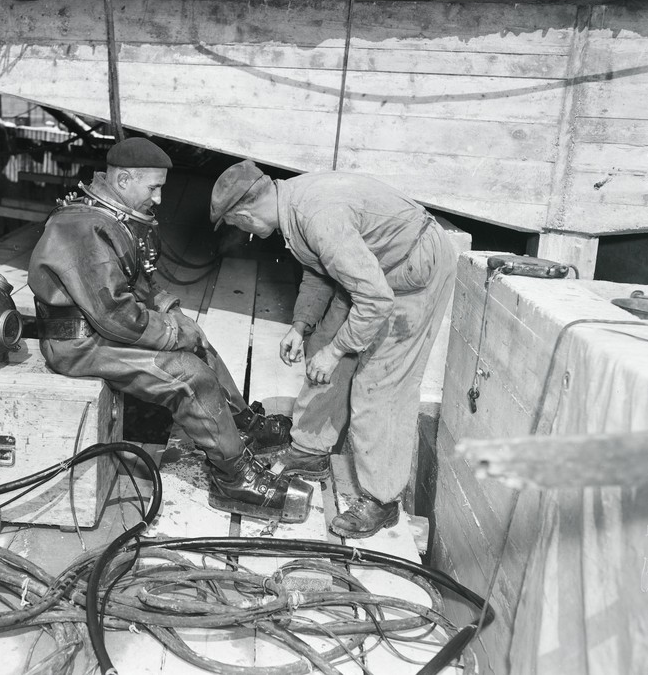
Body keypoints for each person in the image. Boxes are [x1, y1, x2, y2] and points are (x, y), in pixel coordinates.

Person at [27, 138, 312, 522]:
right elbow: (114, 314)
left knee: (202, 347)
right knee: (188, 377)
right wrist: (173, 335)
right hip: (79, 343)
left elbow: (139, 283)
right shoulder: (83, 228)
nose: (160, 199)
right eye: (154, 187)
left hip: (101, 331)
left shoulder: (111, 219)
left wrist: (172, 313)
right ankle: (234, 479)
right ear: (125, 179)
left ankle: (244, 427)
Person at [209, 160, 456, 538]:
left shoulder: (318, 214)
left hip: (412, 272)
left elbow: (375, 300)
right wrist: (301, 325)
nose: (248, 235)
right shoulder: (291, 203)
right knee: (323, 343)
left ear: (244, 214)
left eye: (239, 227)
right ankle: (309, 450)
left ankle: (382, 500)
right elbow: (320, 266)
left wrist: (337, 350)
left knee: (380, 382)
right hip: (374, 272)